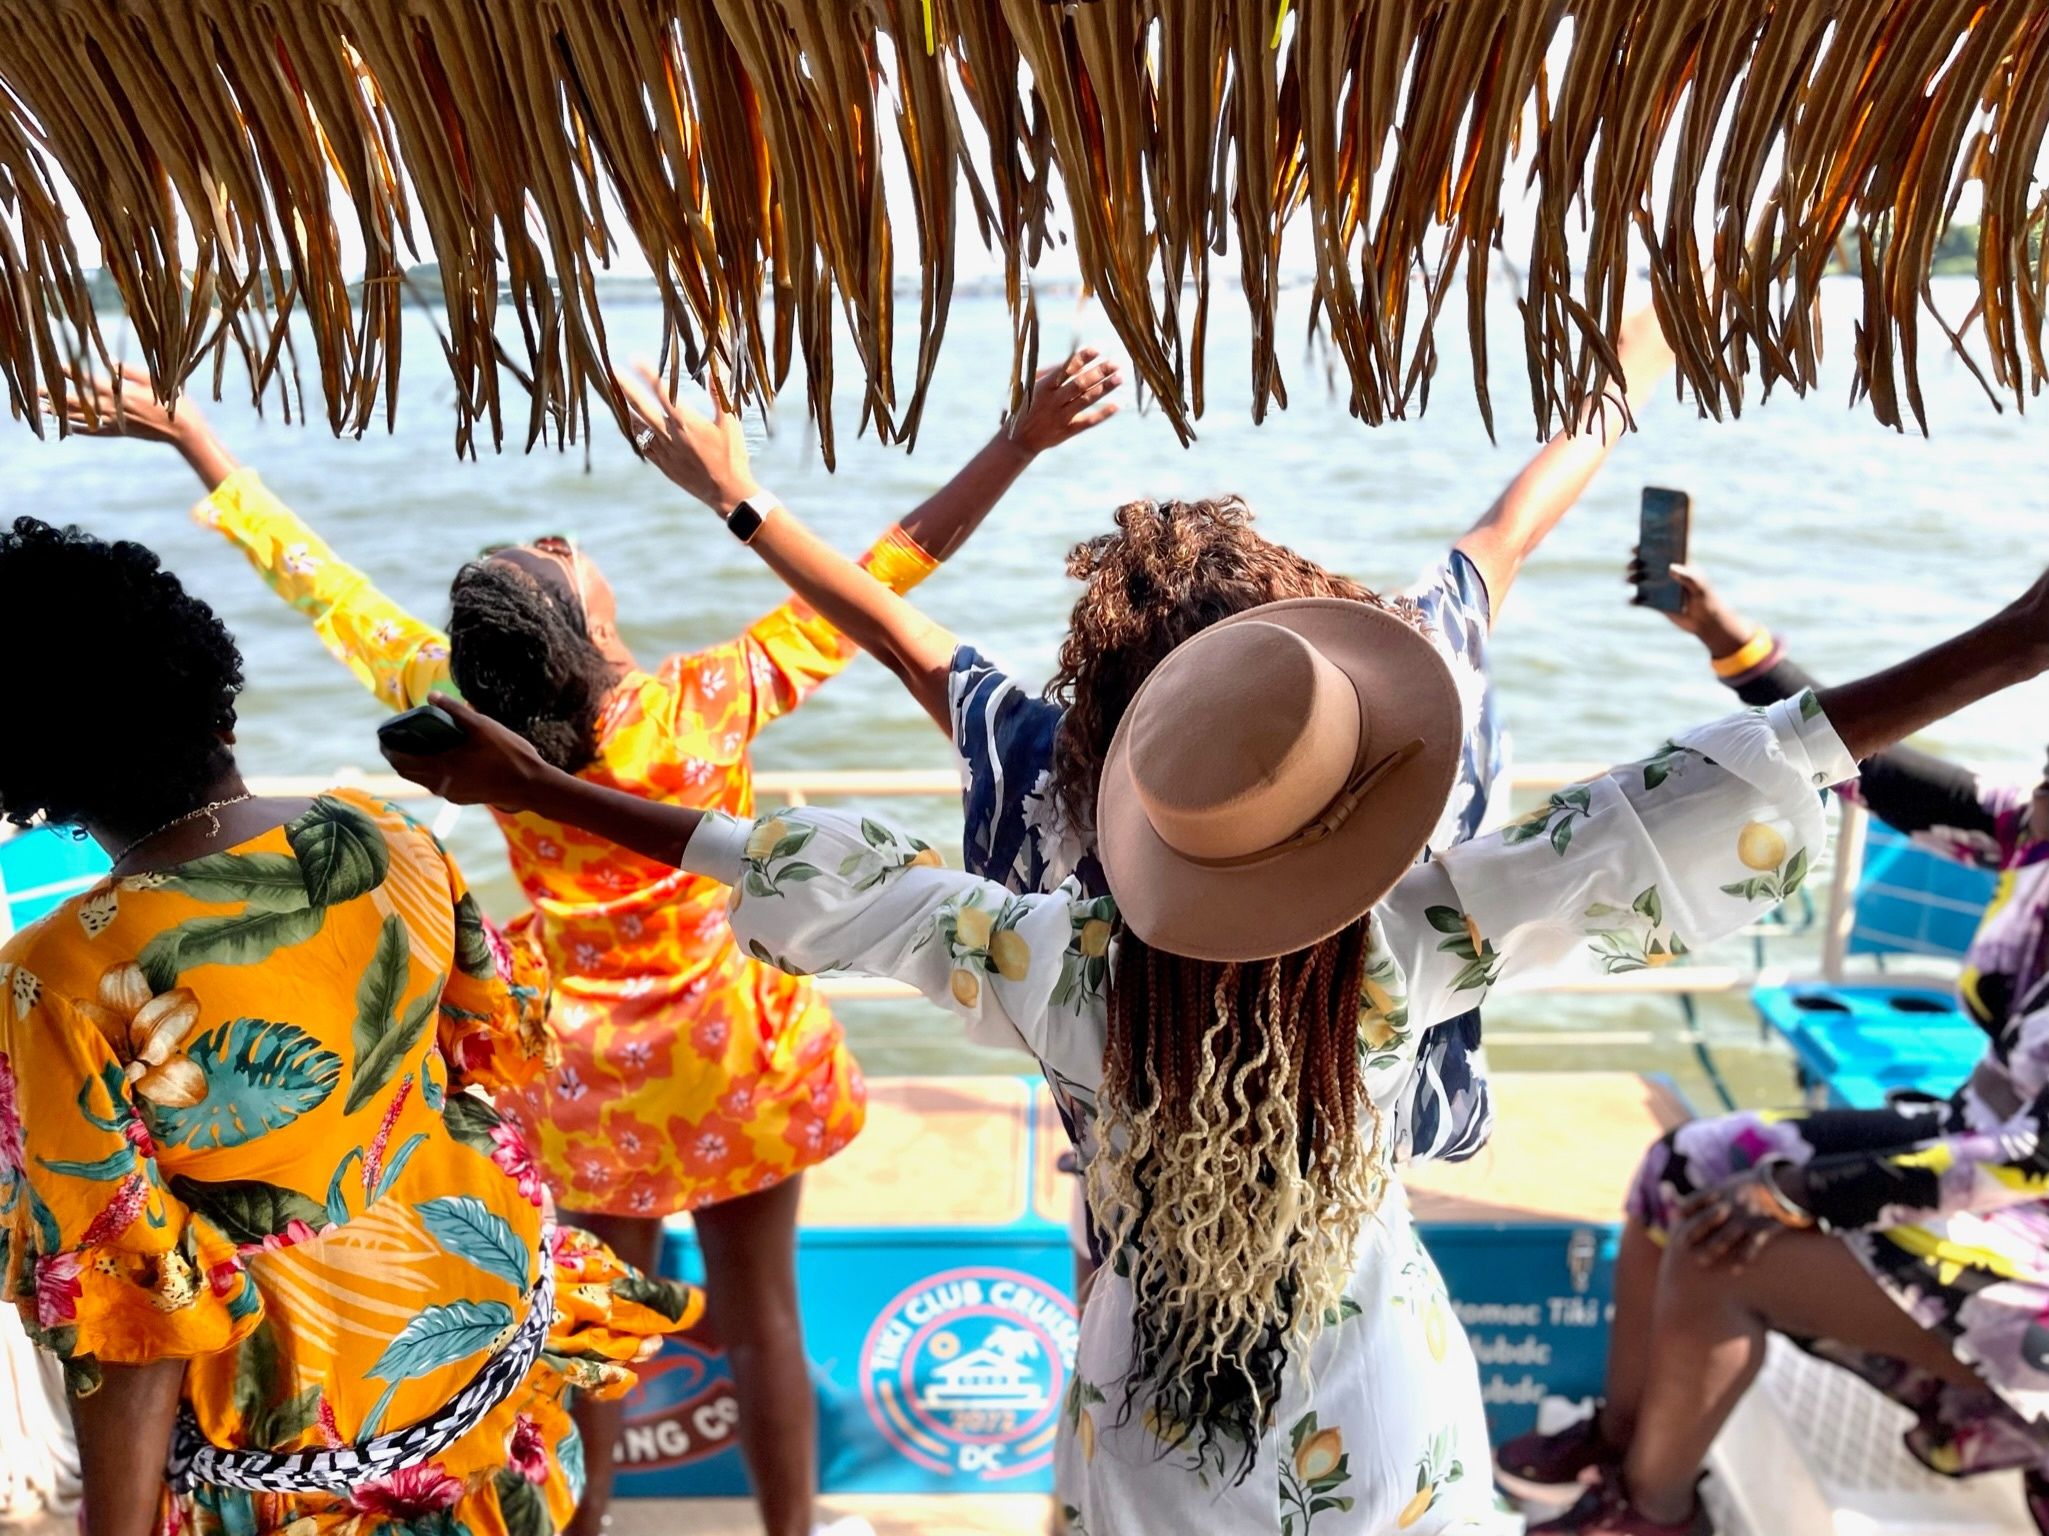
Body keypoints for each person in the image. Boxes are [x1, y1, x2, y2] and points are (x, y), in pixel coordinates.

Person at [379, 563, 2049, 1532]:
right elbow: (1707, 784)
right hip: (1369, 1389)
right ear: (1354, 805)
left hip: (1142, 1399)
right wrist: (2010, 640)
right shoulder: (1423, 932)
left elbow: (787, 868)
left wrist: (530, 792)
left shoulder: (1048, 956)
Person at [49, 350, 1120, 1536]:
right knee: (761, 1314)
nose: (556, 538)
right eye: (548, 560)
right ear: (591, 626)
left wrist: (199, 440)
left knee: (595, 1318)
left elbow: (315, 581)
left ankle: (591, 1515)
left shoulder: (472, 721)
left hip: (588, 1069)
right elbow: (885, 578)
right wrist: (1016, 443)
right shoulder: (705, 703)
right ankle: (791, 1531)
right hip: (733, 1058)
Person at [614, 303, 1679, 1305]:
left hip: (1134, 1233)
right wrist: (1627, 380)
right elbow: (1508, 534)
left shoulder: (1058, 778)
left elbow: (896, 636)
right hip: (1358, 1239)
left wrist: (737, 502)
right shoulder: (1405, 709)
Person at [0, 518, 693, 1536]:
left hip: (308, 1457)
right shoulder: (387, 837)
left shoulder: (58, 980)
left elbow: (128, 1311)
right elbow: (483, 1050)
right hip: (496, 1364)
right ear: (205, 683)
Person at [1496, 561, 2049, 1534]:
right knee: (1687, 1166)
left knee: (1725, 1252)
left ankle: (1656, 1516)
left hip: (2027, 1229)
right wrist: (1726, 639)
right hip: (1984, 1173)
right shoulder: (2038, 830)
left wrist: (1799, 1194)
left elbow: (2034, 1160)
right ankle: (1622, 1448)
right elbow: (1871, 768)